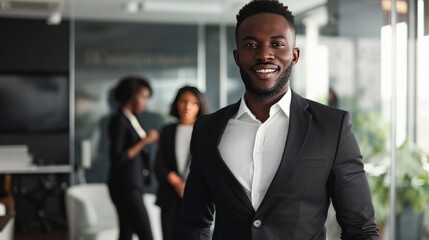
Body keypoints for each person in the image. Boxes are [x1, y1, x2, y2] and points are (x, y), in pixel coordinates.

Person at [177, 1, 379, 239]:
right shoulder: (207, 129)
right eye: (251, 45)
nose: (264, 54)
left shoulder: (332, 127)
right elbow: (193, 221)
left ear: (294, 55)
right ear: (237, 56)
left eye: (277, 44)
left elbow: (360, 228)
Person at [108, 76, 159, 240]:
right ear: (132, 95)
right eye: (143, 97)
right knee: (146, 235)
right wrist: (145, 141)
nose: (145, 102)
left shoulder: (130, 120)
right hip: (126, 187)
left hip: (131, 185)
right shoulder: (120, 121)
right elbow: (118, 157)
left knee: (126, 233)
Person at [155, 86, 209, 240]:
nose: (187, 107)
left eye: (194, 103)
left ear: (200, 105)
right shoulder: (167, 131)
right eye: (183, 101)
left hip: (197, 196)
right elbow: (159, 165)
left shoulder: (205, 130)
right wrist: (176, 181)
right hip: (170, 196)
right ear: (176, 104)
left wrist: (189, 185)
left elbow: (210, 164)